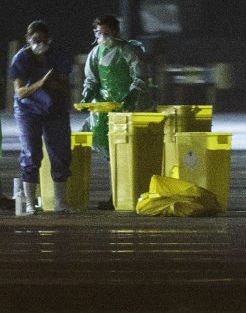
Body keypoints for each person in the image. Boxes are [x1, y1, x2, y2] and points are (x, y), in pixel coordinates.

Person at [81, 14, 152, 210]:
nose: (101, 35)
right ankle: (117, 195)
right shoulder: (95, 53)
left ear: (115, 31)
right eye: (97, 31)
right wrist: (88, 91)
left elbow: (140, 77)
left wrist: (131, 96)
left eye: (105, 31)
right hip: (105, 111)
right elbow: (91, 79)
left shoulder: (128, 51)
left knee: (130, 153)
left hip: (129, 109)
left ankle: (133, 193)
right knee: (111, 154)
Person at [9, 21, 74, 215]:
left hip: (55, 110)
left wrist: (53, 84)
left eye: (43, 40)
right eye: (35, 40)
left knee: (60, 153)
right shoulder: (21, 58)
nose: (39, 43)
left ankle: (60, 203)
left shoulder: (58, 55)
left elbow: (64, 85)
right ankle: (30, 203)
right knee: (31, 153)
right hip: (28, 111)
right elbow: (20, 92)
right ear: (28, 40)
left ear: (49, 40)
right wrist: (41, 83)